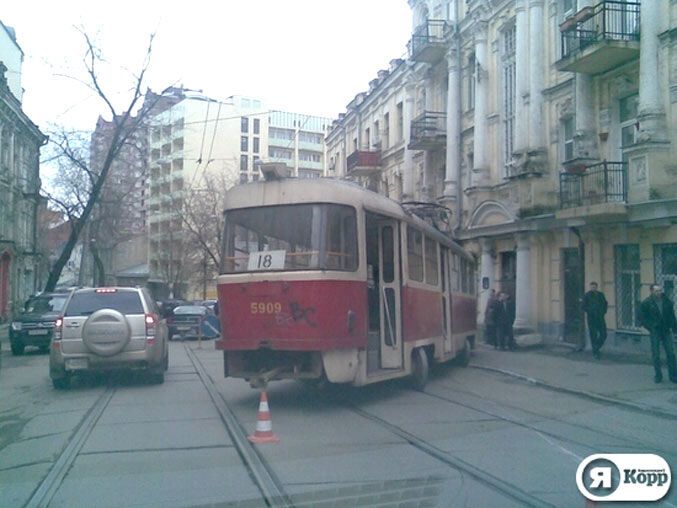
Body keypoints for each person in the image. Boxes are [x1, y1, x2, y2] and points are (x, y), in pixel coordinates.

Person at [639, 284, 677, 384]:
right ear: (651, 291)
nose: (659, 292)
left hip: (665, 330)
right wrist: (651, 326)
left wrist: (674, 328)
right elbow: (642, 318)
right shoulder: (647, 303)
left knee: (671, 354)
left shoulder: (667, 301)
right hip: (655, 331)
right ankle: (658, 375)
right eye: (656, 291)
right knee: (656, 354)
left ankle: (673, 376)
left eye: (660, 290)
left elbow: (672, 316)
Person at [582, 282, 608, 359]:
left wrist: (603, 311)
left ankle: (597, 347)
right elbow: (583, 306)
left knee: (604, 334)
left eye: (594, 287)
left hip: (600, 317)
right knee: (593, 335)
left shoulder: (600, 295)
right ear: (590, 287)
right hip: (591, 318)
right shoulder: (587, 295)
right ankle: (595, 352)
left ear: (597, 287)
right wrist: (591, 311)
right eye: (592, 287)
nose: (593, 288)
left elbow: (605, 304)